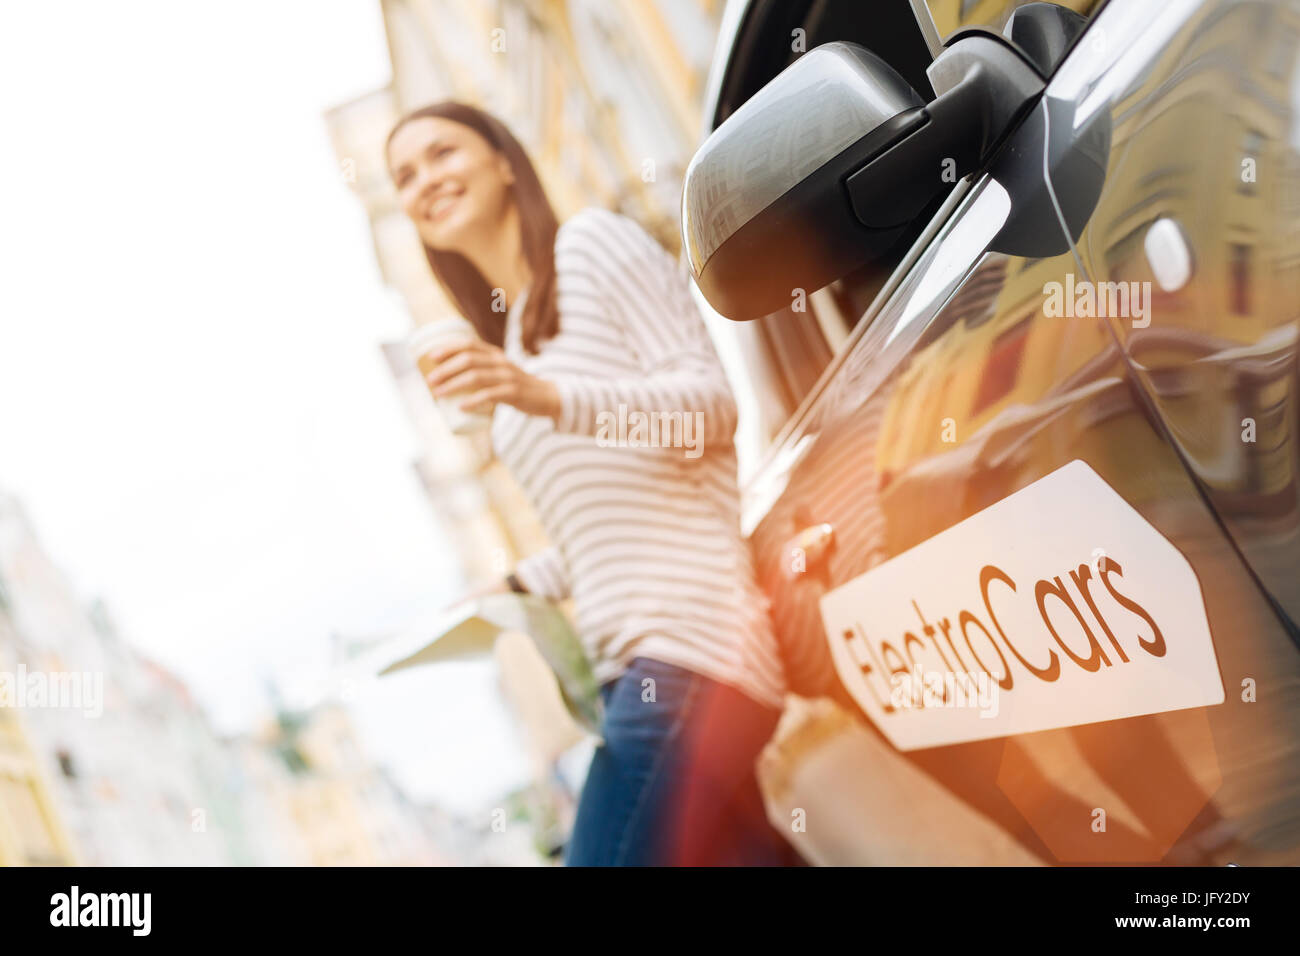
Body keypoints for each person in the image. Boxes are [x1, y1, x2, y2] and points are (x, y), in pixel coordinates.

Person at [386, 101, 798, 866]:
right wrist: (513, 583)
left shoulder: (591, 246)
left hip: (693, 648)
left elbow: (710, 409)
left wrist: (540, 396)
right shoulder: (508, 339)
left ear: (505, 161)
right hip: (626, 675)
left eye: (442, 153)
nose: (424, 180)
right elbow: (605, 528)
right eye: (404, 176)